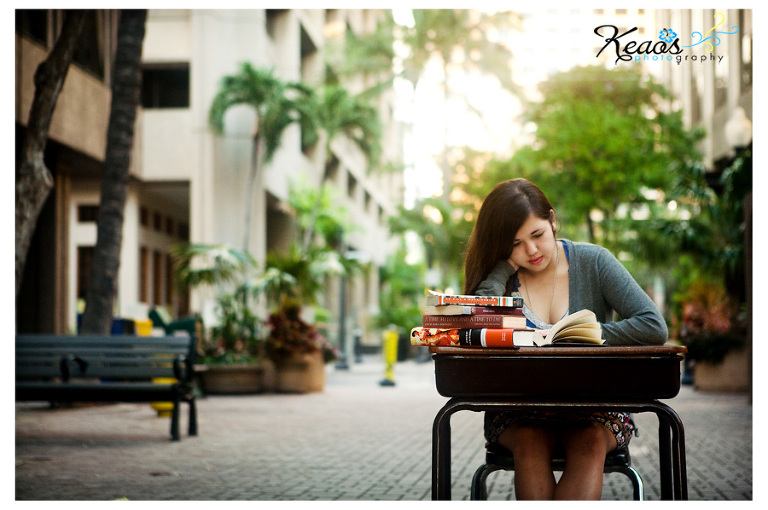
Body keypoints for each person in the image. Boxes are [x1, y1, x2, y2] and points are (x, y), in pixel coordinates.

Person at [463, 178, 668, 500]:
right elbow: (475, 323)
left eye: (537, 235)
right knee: (530, 439)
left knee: (588, 440)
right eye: (515, 244)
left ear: (553, 221)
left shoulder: (594, 261)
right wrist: (502, 268)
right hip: (519, 410)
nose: (531, 251)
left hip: (596, 407)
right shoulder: (503, 277)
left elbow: (653, 325)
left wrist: (582, 337)